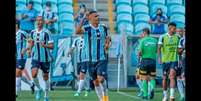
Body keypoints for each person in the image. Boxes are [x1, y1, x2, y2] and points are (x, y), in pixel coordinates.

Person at [76, 10, 111, 101]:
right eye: (95, 16)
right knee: (95, 82)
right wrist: (83, 18)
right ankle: (101, 99)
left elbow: (108, 38)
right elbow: (77, 31)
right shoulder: (87, 28)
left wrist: (107, 44)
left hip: (101, 58)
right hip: (89, 60)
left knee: (101, 79)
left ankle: (105, 95)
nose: (98, 18)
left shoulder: (103, 27)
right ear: (90, 18)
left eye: (98, 16)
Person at [28, 16, 54, 101]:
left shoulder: (47, 32)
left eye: (41, 20)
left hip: (45, 58)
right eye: (37, 20)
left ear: (43, 22)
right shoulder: (32, 32)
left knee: (45, 77)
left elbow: (52, 46)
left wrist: (45, 45)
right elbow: (31, 42)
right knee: (34, 74)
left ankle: (46, 96)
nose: (39, 22)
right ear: (36, 22)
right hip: (35, 57)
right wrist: (29, 50)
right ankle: (39, 89)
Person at [158, 22, 180, 101]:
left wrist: (180, 53)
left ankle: (172, 96)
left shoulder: (178, 37)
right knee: (164, 79)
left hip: (174, 60)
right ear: (169, 28)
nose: (175, 30)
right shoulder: (162, 37)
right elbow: (159, 48)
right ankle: (165, 96)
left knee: (172, 76)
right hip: (165, 61)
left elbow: (179, 49)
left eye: (175, 28)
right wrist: (159, 58)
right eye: (174, 28)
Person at [16, 21, 35, 97]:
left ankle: (16, 92)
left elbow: (31, 41)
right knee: (19, 74)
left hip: (21, 56)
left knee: (17, 72)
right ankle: (31, 83)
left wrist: (27, 49)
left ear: (17, 25)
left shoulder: (22, 33)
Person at [138, 28, 158, 99]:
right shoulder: (155, 40)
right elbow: (156, 51)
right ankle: (152, 88)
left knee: (144, 78)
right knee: (152, 78)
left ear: (144, 33)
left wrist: (139, 55)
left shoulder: (142, 40)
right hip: (153, 61)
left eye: (142, 33)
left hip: (145, 60)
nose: (142, 34)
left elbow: (140, 52)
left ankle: (145, 95)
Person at [177, 28, 185, 101]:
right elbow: (179, 51)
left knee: (183, 77)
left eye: (181, 31)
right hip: (180, 61)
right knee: (179, 78)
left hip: (182, 61)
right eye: (178, 31)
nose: (179, 32)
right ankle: (182, 95)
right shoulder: (181, 40)